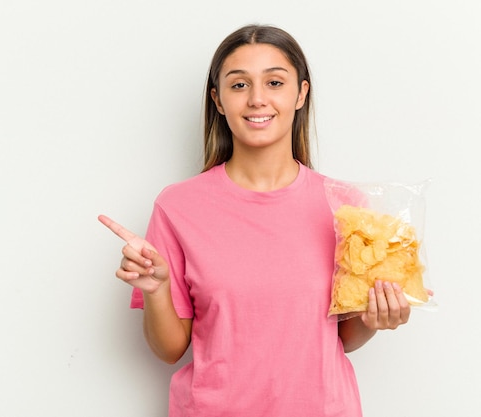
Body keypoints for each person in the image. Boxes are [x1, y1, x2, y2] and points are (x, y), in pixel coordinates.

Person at [98, 24, 411, 417]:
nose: (257, 99)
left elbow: (344, 337)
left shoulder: (345, 205)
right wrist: (157, 290)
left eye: (275, 82)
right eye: (239, 85)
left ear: (301, 94)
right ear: (218, 99)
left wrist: (374, 317)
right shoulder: (178, 206)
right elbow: (169, 349)